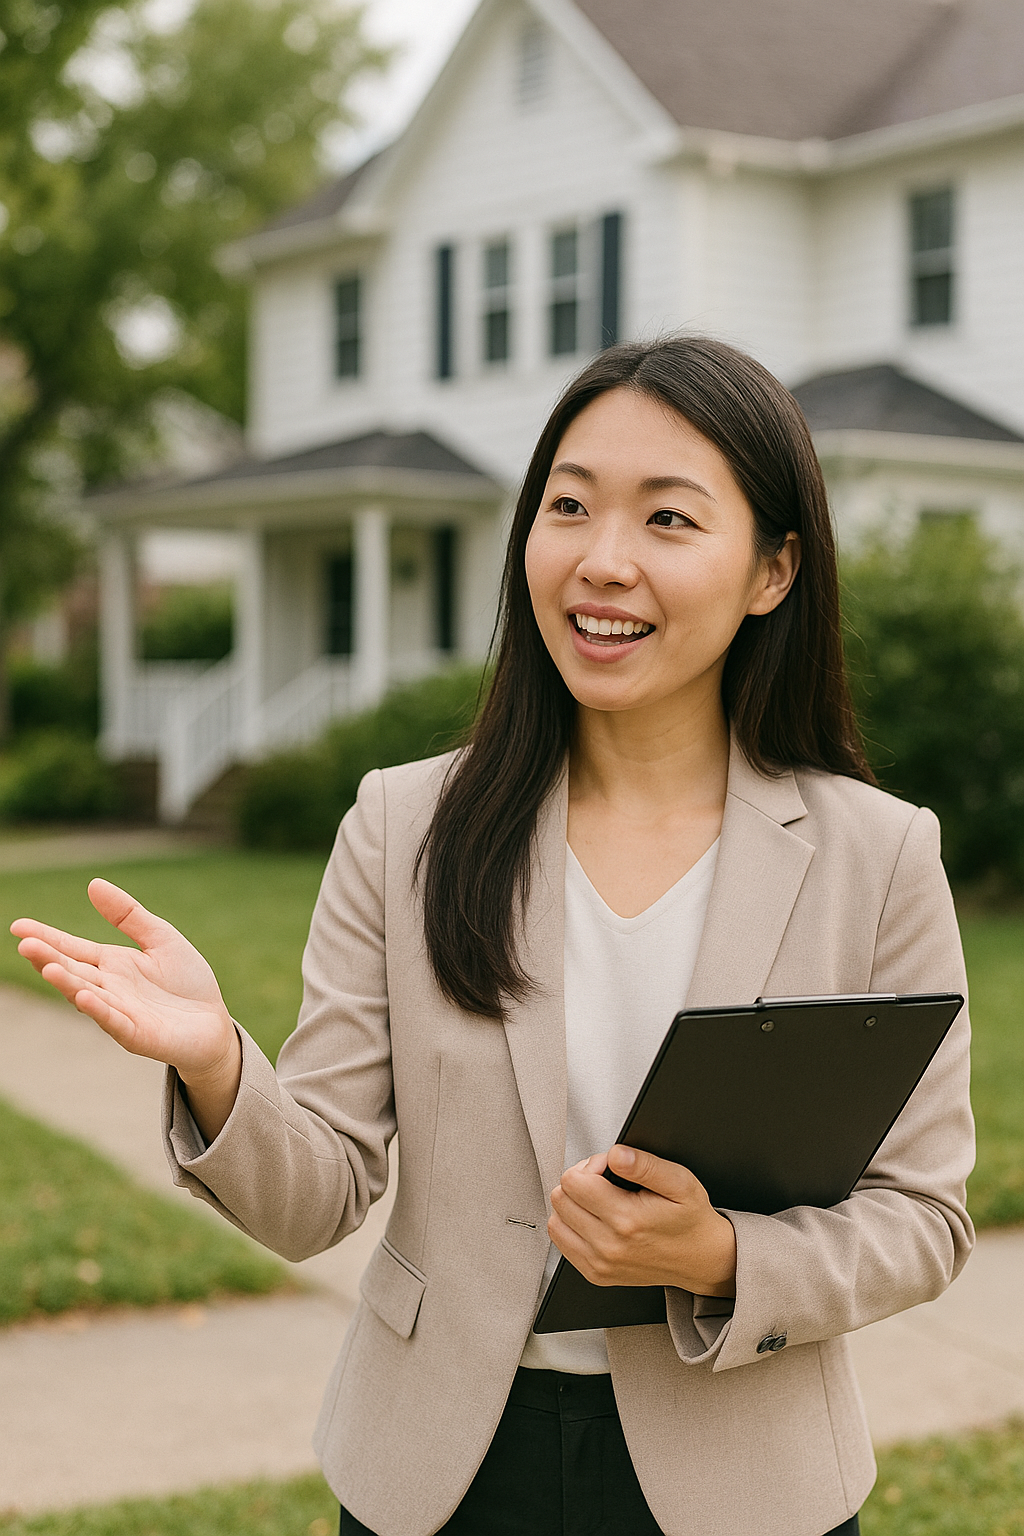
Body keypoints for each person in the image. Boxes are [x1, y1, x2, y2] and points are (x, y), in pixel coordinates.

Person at [13, 336, 974, 1536]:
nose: (602, 559)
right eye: (568, 506)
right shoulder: (403, 826)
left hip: (745, 1477)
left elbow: (923, 1217)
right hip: (440, 1470)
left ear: (772, 571)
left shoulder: (877, 855)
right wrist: (217, 1064)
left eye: (668, 519)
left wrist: (721, 1255)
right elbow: (317, 1197)